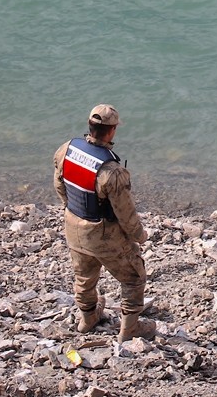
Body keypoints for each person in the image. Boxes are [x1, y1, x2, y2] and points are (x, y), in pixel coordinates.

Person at [52, 104, 155, 341]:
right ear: (112, 130)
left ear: (90, 126)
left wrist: (72, 209)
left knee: (84, 276)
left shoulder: (66, 150)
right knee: (134, 277)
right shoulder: (112, 172)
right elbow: (125, 213)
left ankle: (88, 318)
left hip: (73, 227)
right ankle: (129, 329)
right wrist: (139, 236)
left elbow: (59, 186)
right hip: (103, 234)